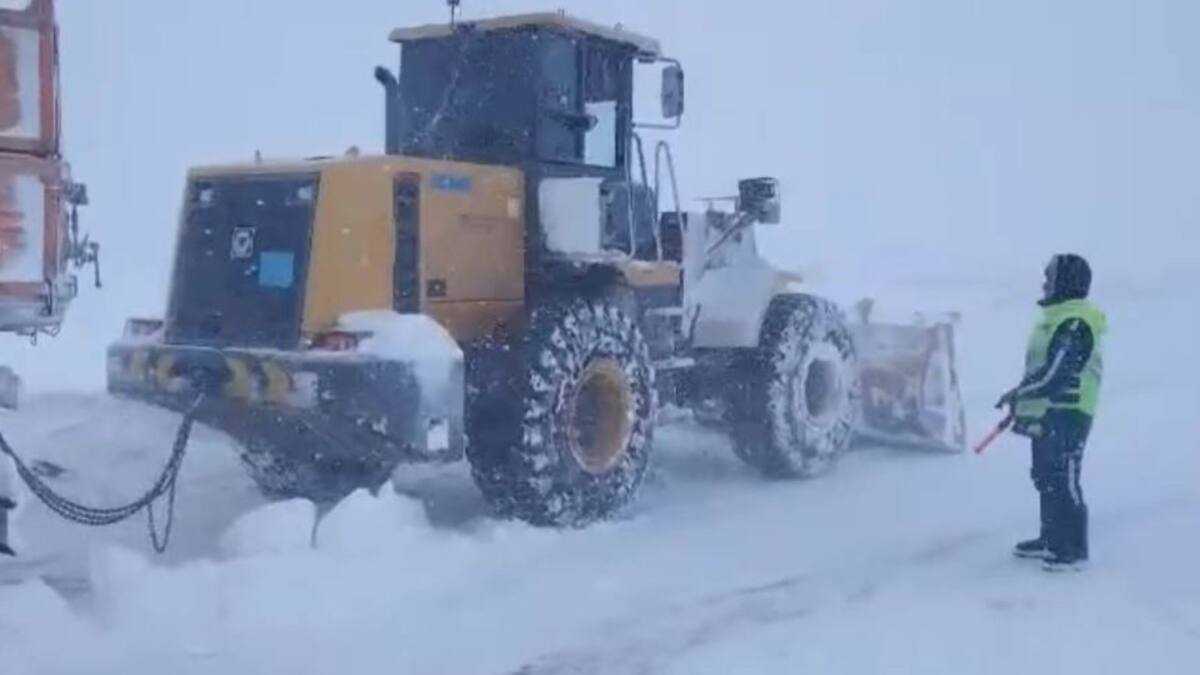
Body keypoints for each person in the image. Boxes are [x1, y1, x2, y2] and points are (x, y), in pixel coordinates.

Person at [996, 254, 1106, 572]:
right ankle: (1051, 538)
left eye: (1050, 277)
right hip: (1048, 413)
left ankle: (1073, 549)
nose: (1045, 284)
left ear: (1065, 282)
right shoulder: (1056, 319)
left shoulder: (1075, 322)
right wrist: (1022, 401)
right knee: (1045, 477)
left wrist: (1018, 393)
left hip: (1070, 412)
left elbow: (1054, 375)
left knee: (1065, 478)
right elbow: (1041, 372)